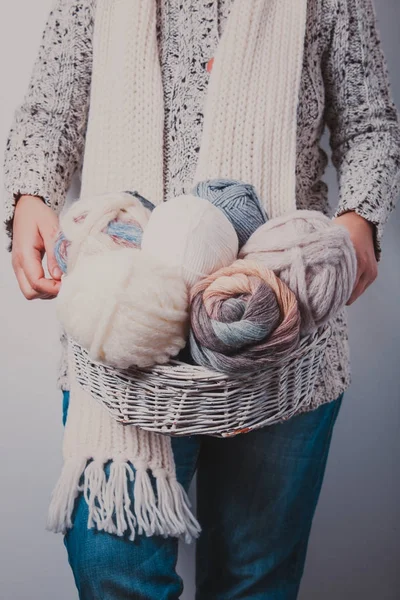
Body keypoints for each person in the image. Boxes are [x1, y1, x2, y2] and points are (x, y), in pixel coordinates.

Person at [3, 0, 400, 598]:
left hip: (283, 334)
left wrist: (361, 220)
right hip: (125, 334)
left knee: (255, 582)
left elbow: (371, 122)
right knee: (113, 572)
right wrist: (28, 195)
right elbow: (48, 110)